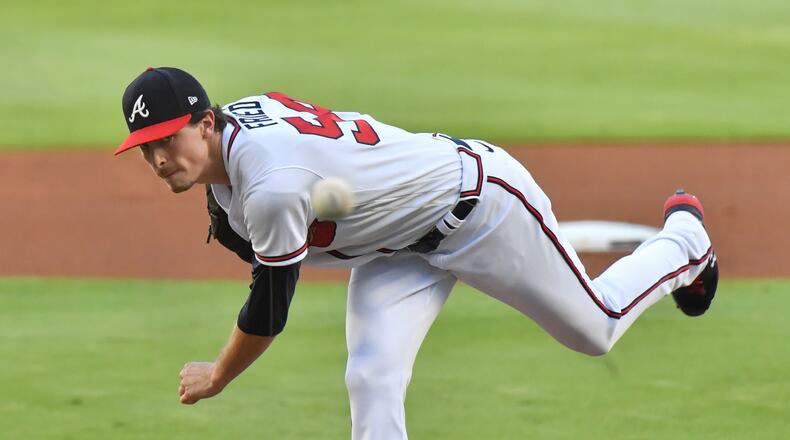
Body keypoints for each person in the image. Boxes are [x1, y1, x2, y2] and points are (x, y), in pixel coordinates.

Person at [116, 67, 718, 440]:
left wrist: (218, 375)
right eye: (145, 149)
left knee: (597, 328)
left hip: (479, 205)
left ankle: (685, 241)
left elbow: (269, 309)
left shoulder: (271, 184)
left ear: (203, 123)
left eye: (166, 139)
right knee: (371, 376)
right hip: (397, 248)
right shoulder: (236, 150)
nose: (159, 159)